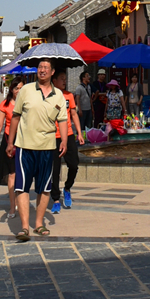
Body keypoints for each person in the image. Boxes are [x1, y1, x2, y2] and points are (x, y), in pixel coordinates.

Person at [6, 58, 68, 241]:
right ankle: (24, 227)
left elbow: (63, 120)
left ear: (52, 72)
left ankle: (39, 224)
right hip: (25, 146)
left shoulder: (58, 95)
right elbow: (16, 117)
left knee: (45, 188)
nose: (42, 70)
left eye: (46, 68)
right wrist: (11, 142)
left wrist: (63, 140)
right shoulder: (25, 90)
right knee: (22, 186)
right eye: (40, 67)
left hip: (48, 147)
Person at [0, 76, 25, 218]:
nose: (19, 91)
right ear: (12, 89)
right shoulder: (5, 104)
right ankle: (12, 207)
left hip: (24, 140)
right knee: (12, 174)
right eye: (16, 88)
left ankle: (20, 199)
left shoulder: (27, 103)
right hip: (9, 140)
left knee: (22, 173)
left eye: (22, 88)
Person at [50, 68, 84, 213]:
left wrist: (79, 133)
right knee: (55, 170)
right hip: (53, 137)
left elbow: (74, 114)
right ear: (54, 81)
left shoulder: (69, 95)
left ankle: (68, 188)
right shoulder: (49, 96)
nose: (64, 81)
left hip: (69, 135)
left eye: (65, 78)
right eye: (61, 78)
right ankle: (56, 199)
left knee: (74, 164)